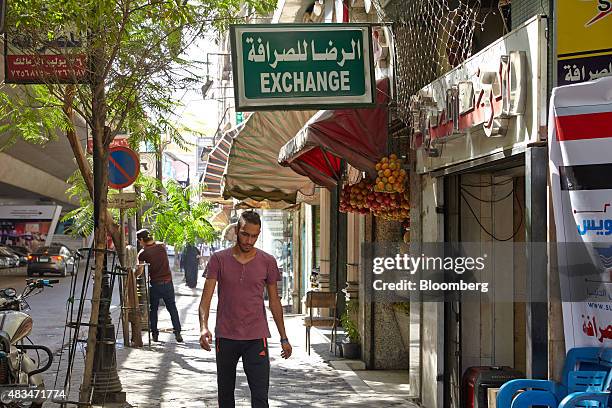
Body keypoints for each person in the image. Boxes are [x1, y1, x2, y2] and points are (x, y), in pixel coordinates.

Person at [199, 211, 292, 408]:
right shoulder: (219, 259)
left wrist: (283, 337)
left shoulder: (267, 261)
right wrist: (203, 327)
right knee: (225, 396)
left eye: (254, 236)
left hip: (256, 337)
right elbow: (206, 297)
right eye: (245, 234)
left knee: (260, 397)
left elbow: (274, 302)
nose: (249, 240)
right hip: (226, 336)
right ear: (236, 231)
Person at [136, 229, 183, 343]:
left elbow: (140, 271)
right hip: (168, 283)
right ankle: (177, 332)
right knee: (172, 308)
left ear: (142, 239)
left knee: (153, 310)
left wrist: (133, 275)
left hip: (155, 284)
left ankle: (155, 334)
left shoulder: (143, 253)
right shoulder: (162, 247)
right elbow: (157, 243)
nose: (139, 243)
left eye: (139, 241)